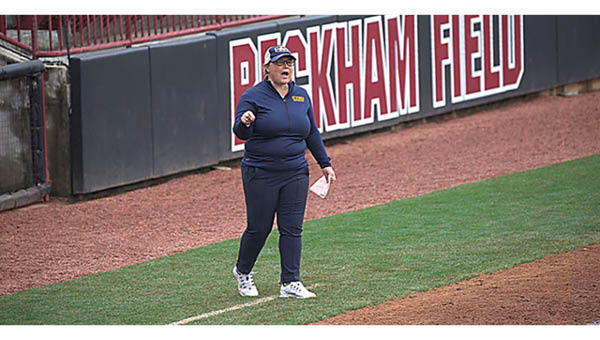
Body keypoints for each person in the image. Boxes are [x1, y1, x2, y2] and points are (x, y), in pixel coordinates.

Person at [232, 45, 336, 299]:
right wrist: (245, 122)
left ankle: (290, 282)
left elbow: (311, 131)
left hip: (296, 172)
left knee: (292, 227)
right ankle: (243, 271)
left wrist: (324, 162)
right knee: (260, 227)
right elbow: (239, 132)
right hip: (261, 172)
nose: (285, 67)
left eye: (289, 63)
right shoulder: (252, 96)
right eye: (279, 63)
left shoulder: (301, 96)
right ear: (267, 68)